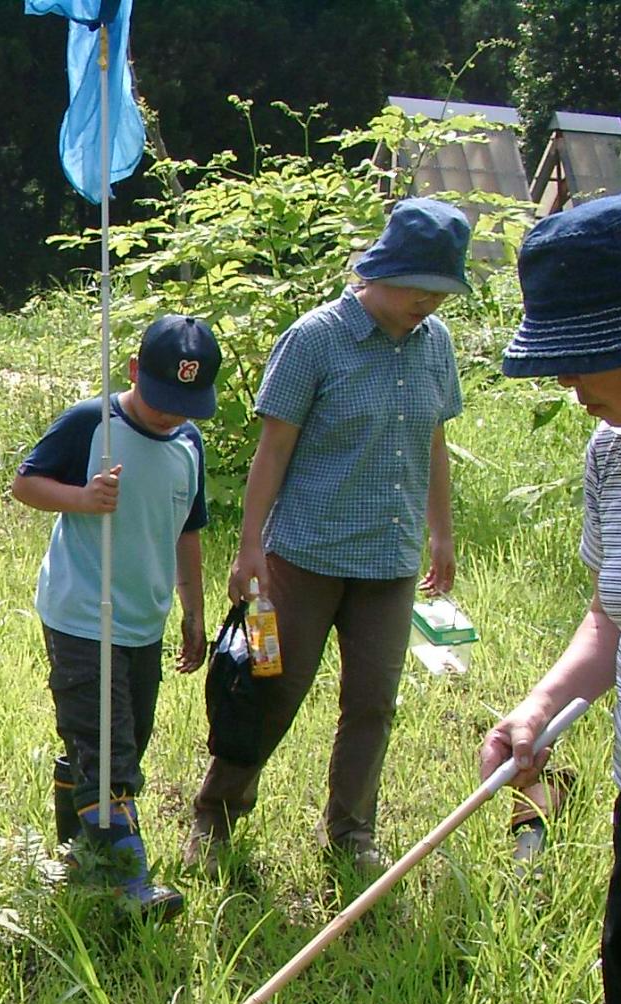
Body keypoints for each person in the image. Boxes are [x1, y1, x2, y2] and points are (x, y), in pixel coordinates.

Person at [185, 198, 469, 877]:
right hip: (302, 557)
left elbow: (434, 439)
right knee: (267, 686)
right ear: (381, 272)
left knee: (373, 701)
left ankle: (350, 834)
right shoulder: (315, 339)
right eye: (418, 289)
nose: (428, 305)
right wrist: (250, 547)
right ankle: (216, 815)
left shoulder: (435, 347)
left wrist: (442, 534)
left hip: (390, 562)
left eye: (441, 293)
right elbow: (272, 451)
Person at [479, 189, 621, 1004]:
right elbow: (606, 619)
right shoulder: (610, 455)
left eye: (586, 358)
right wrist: (540, 708)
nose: (568, 384)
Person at [12, 315, 219, 918]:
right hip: (81, 612)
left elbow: (189, 532)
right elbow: (26, 484)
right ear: (133, 372)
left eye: (185, 404)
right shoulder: (91, 424)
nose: (168, 414)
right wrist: (82, 498)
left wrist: (192, 609)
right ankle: (131, 886)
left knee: (120, 743)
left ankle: (78, 859)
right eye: (159, 399)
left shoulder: (189, 444)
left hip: (143, 619)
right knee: (108, 752)